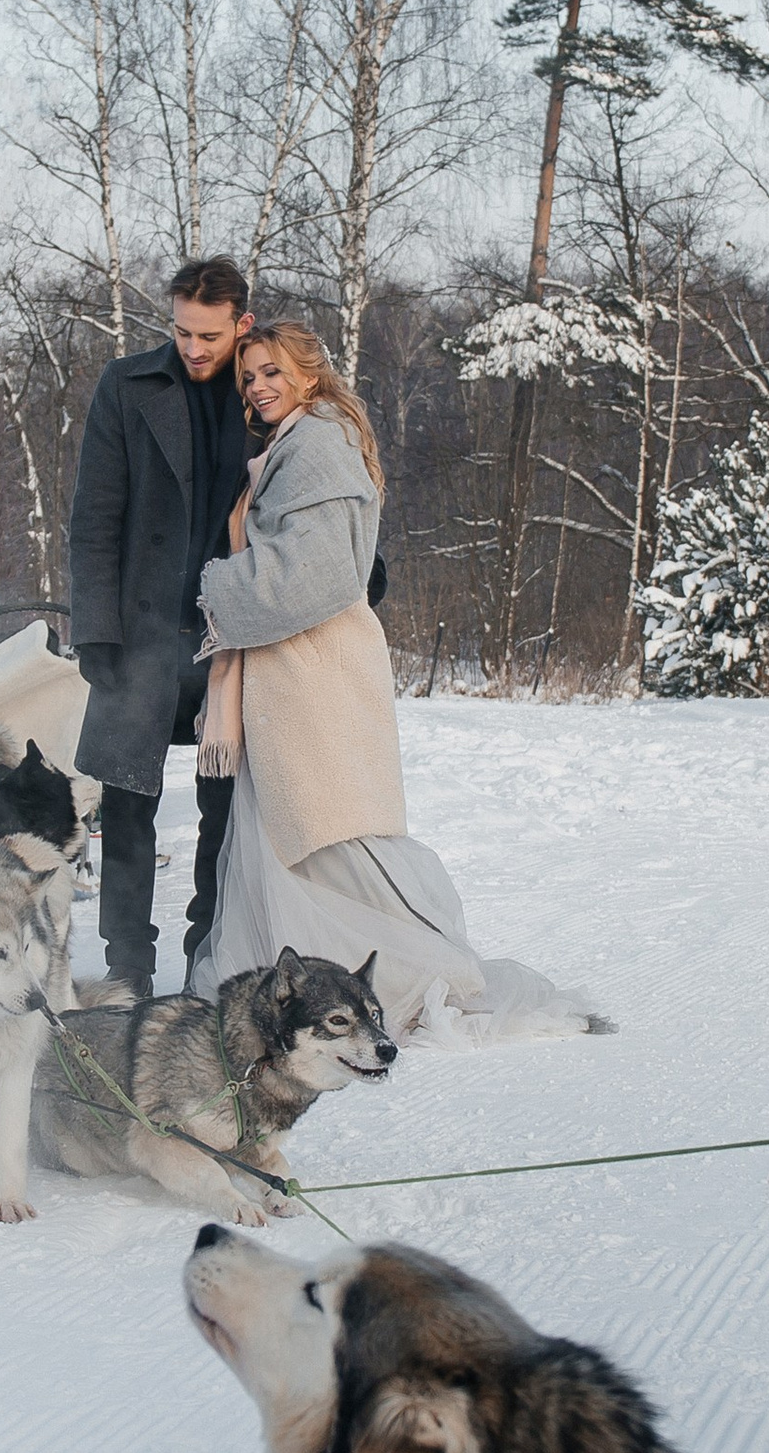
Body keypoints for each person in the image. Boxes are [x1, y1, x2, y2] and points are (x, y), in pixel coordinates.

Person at [186, 323, 607, 1046]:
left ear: (309, 374)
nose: (257, 386)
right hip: (293, 674)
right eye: (249, 376)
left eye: (272, 371)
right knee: (300, 842)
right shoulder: (298, 440)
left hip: (313, 675)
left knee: (328, 839)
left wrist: (217, 585)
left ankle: (399, 978)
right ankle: (294, 989)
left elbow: (317, 575)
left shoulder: (316, 444)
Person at [67, 257, 256, 995]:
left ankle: (206, 963)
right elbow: (94, 518)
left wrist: (358, 566)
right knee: (125, 809)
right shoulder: (127, 385)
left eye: (209, 334)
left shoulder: (266, 387)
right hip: (141, 635)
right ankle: (127, 970)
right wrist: (95, 630)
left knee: (226, 812)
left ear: (242, 323)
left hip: (232, 642)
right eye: (181, 331)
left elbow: (317, 488)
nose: (193, 347)